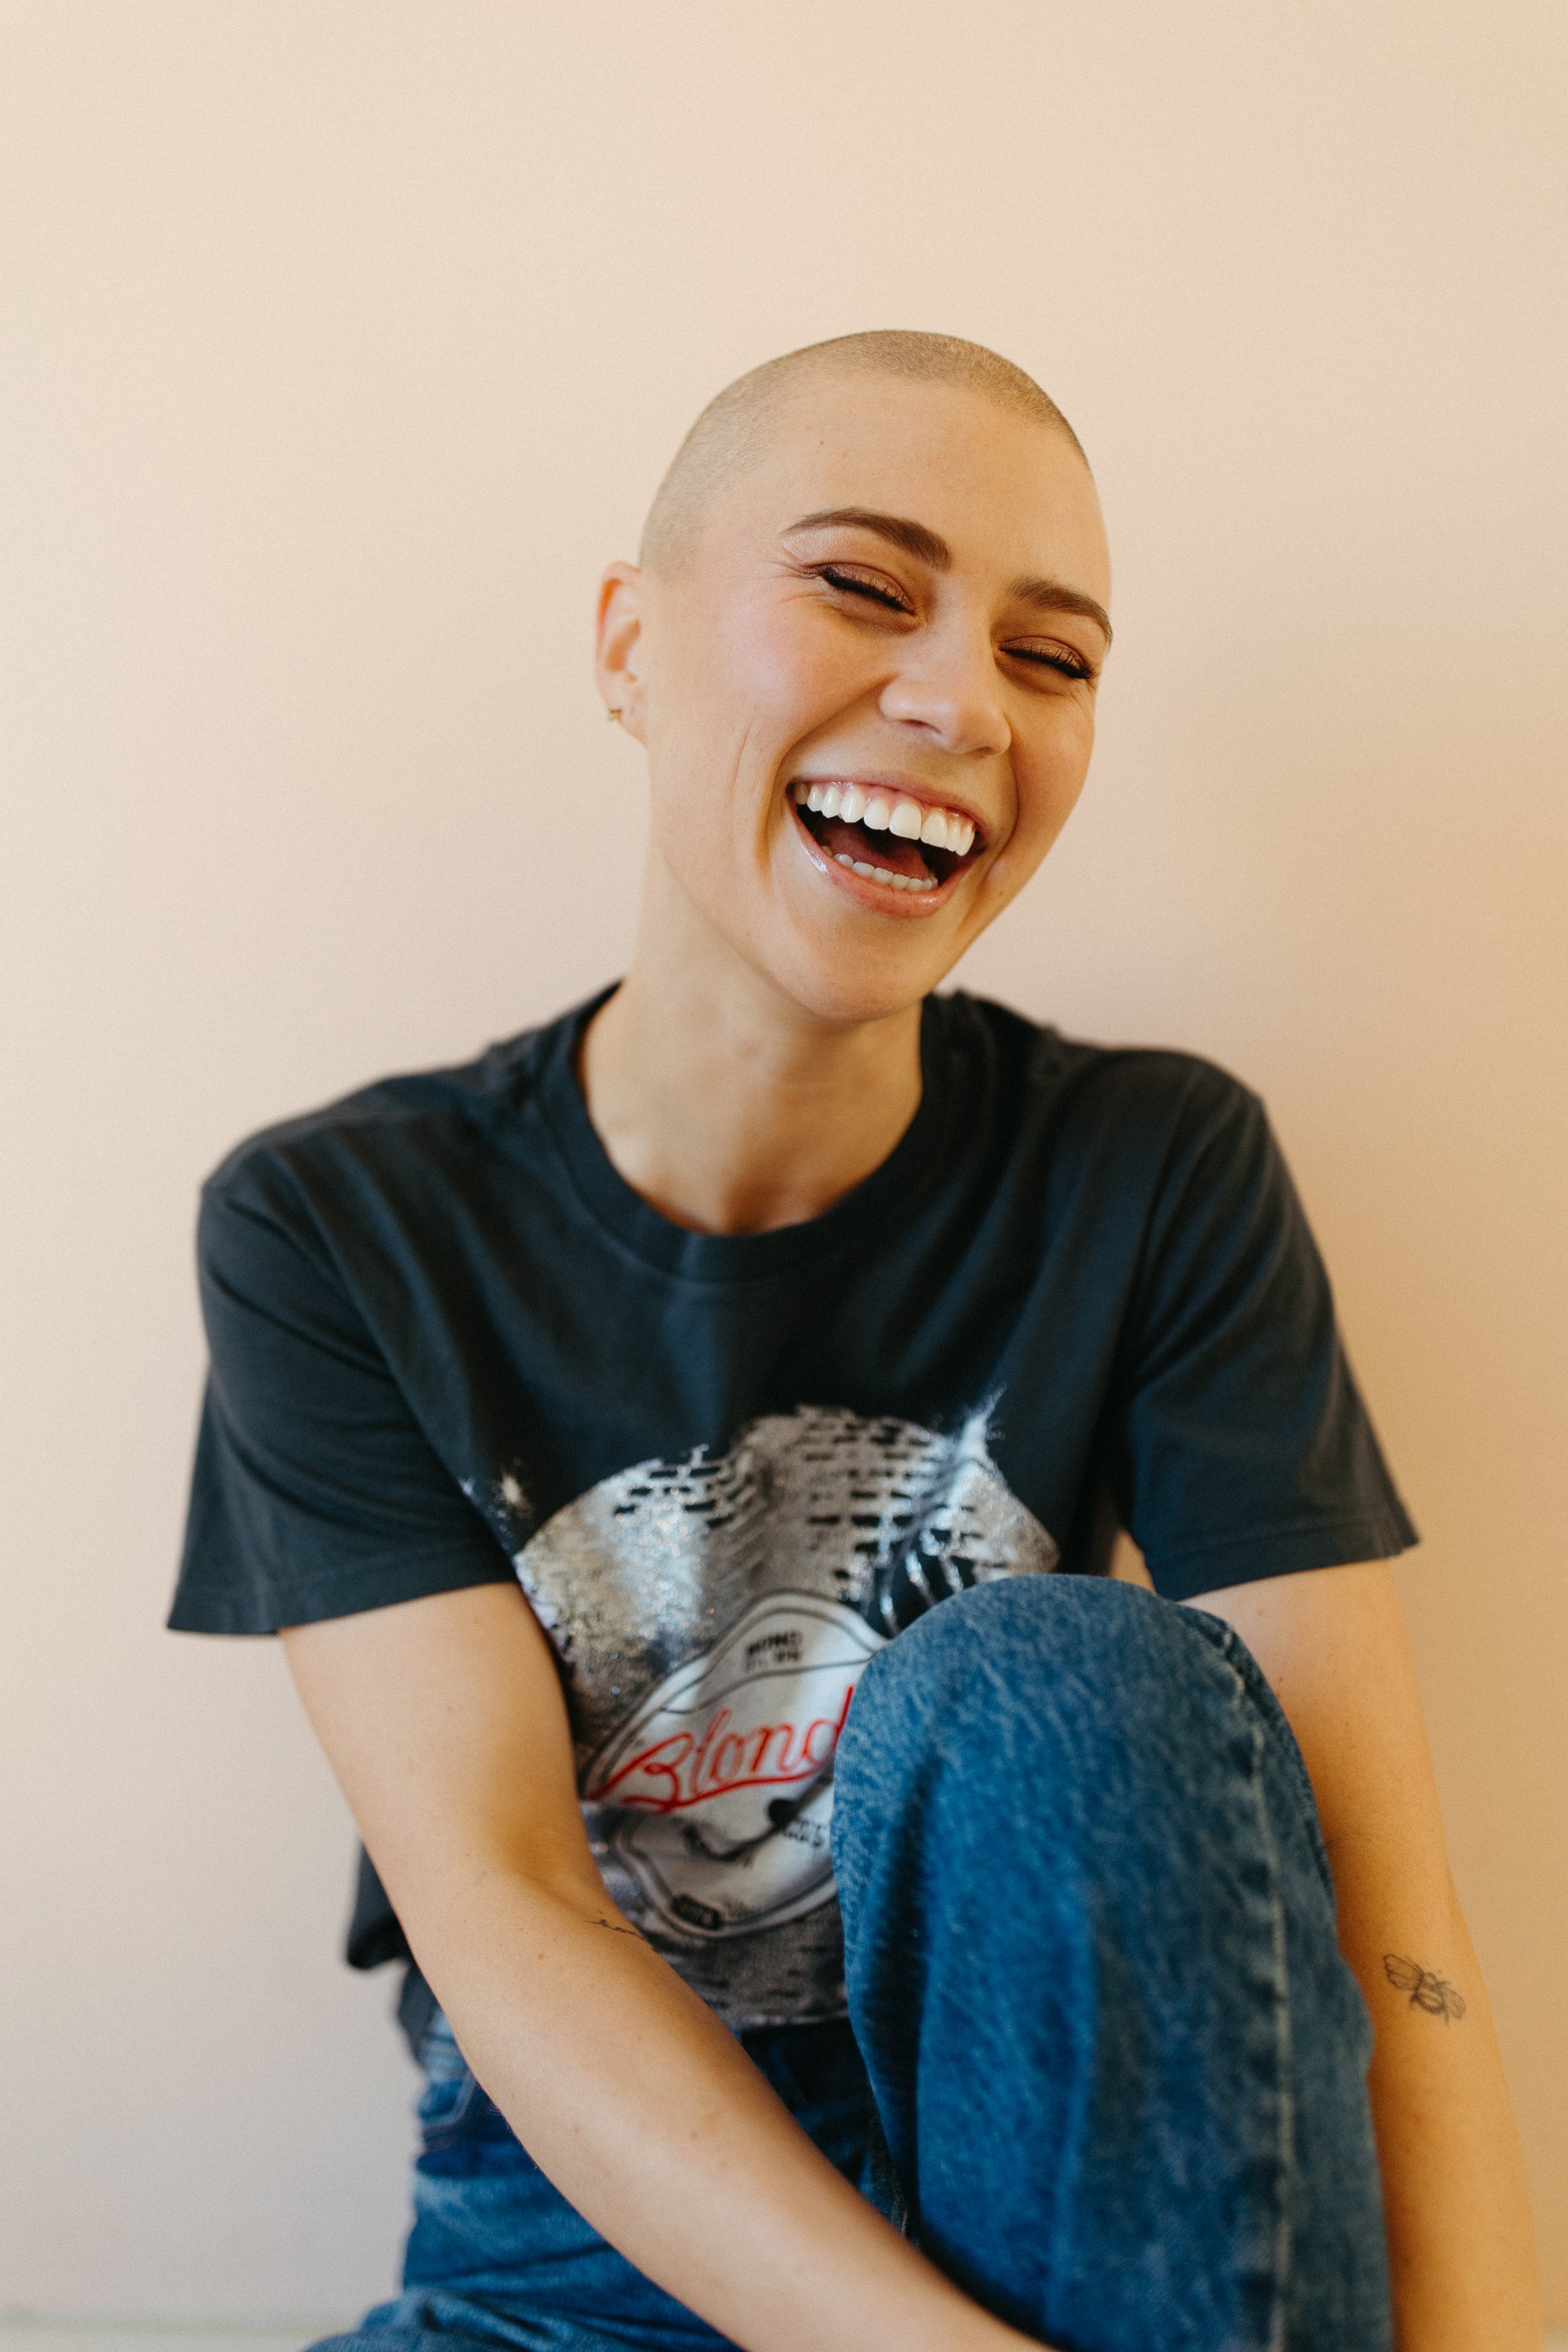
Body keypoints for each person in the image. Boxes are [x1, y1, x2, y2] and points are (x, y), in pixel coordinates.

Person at [169, 332, 1541, 2352]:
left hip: (1056, 2172)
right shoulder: (337, 1226)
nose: (962, 701)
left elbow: (1375, 1904)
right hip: (577, 2240)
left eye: (1051, 657)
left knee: (1052, 1673)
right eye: (862, 584)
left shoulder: (1154, 1168)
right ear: (629, 644)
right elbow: (507, 1902)